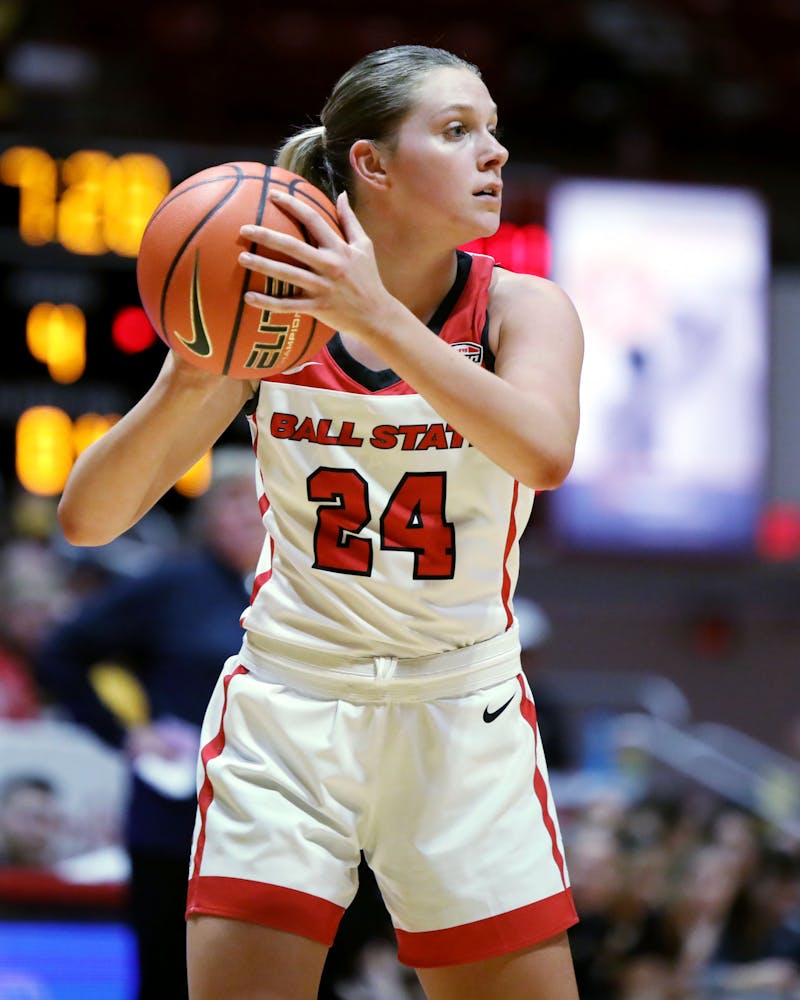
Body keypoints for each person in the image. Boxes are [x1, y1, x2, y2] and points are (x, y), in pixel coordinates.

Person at [56, 44, 584, 1000]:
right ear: (372, 164)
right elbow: (89, 519)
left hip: (461, 709)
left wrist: (378, 318)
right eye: (457, 130)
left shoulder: (521, 308)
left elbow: (542, 454)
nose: (494, 152)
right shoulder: (271, 312)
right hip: (291, 707)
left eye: (493, 129)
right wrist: (192, 376)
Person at [36, 447, 265, 1000]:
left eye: (257, 501)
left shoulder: (293, 590)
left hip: (262, 819)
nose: (248, 515)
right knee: (165, 974)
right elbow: (62, 652)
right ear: (207, 514)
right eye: (231, 500)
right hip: (172, 819)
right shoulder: (172, 584)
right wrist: (126, 734)